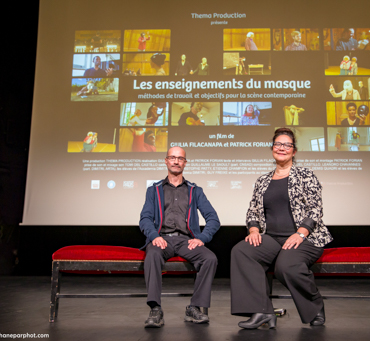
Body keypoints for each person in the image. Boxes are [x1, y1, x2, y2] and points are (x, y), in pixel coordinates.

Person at [230, 128, 333, 329]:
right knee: (241, 251)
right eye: (278, 144)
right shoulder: (262, 180)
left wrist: (301, 233)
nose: (282, 148)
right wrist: (253, 230)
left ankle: (315, 306)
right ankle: (262, 311)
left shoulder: (305, 175)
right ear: (272, 149)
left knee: (285, 267)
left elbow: (315, 209)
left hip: (305, 238)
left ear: (294, 151)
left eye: (287, 145)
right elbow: (253, 211)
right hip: (272, 238)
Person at [139, 146, 220, 328]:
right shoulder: (154, 190)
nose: (176, 161)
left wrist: (202, 238)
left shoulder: (195, 190)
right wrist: (154, 236)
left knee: (210, 258)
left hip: (186, 241)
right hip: (162, 239)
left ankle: (194, 307)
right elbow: (145, 219)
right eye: (172, 158)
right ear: (166, 161)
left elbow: (213, 219)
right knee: (152, 255)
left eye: (180, 158)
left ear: (185, 163)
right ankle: (155, 308)